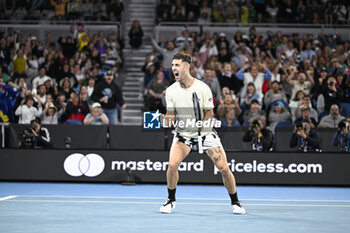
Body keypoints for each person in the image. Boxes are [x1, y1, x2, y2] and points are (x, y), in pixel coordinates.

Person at [160, 53, 245, 214]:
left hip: (205, 135)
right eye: (172, 66)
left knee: (224, 169)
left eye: (177, 65)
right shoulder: (171, 91)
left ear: (186, 67)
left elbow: (209, 113)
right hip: (183, 135)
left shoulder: (202, 88)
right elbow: (171, 114)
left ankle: (236, 202)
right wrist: (165, 119)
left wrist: (203, 124)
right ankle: (170, 200)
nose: (173, 68)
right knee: (172, 165)